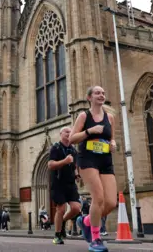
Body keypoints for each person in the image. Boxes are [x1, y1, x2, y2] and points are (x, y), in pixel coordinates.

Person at [70, 86, 117, 252]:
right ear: (89, 97)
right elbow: (72, 139)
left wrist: (113, 144)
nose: (101, 95)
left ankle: (86, 221)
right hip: (87, 159)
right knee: (98, 198)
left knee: (111, 202)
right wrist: (89, 131)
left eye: (103, 93)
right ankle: (96, 238)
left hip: (105, 160)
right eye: (97, 93)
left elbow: (111, 138)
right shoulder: (84, 116)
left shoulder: (110, 117)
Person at [48, 126, 81, 245]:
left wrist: (77, 174)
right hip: (58, 183)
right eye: (66, 132)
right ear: (61, 134)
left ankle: (62, 222)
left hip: (70, 183)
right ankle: (57, 236)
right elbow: (50, 165)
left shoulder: (73, 150)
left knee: (76, 207)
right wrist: (64, 162)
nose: (69, 133)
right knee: (60, 208)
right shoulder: (55, 148)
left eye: (71, 132)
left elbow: (75, 165)